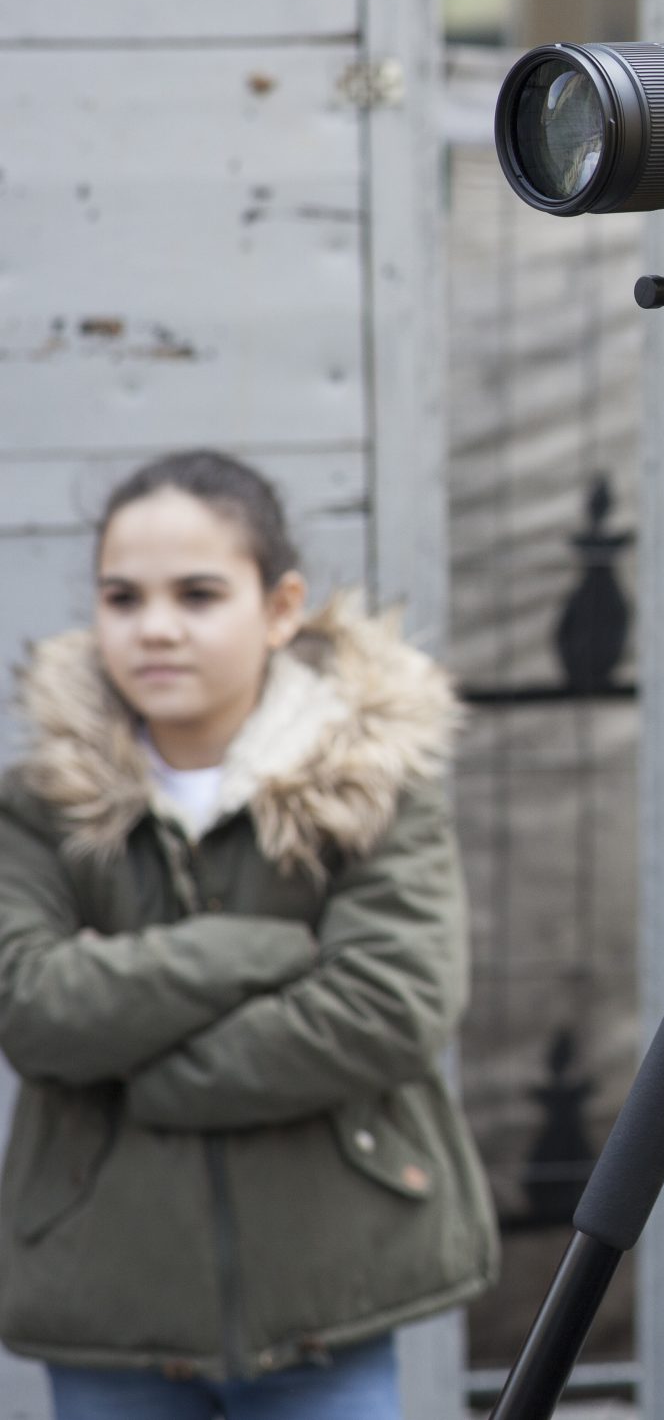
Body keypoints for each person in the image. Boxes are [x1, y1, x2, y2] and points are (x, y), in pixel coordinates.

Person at [0, 452, 496, 1418]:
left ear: (279, 608)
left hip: (332, 1296)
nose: (155, 627)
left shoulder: (369, 783)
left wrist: (148, 1076)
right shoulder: (39, 804)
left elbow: (390, 1005)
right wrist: (259, 951)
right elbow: (30, 1005)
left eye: (197, 594)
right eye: (122, 596)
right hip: (109, 1302)